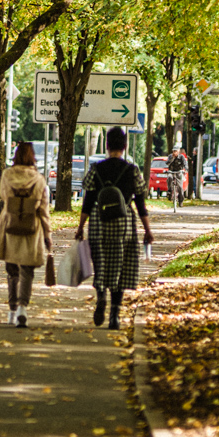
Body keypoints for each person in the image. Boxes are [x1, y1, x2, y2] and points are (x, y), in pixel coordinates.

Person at [75, 126, 154, 330]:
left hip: (99, 222)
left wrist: (81, 226)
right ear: (125, 146)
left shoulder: (97, 169)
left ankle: (101, 294)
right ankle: (115, 316)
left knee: (101, 263)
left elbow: (88, 200)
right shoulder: (131, 170)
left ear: (107, 145)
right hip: (124, 224)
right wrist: (147, 230)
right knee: (120, 266)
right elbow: (141, 203)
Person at [0, 141, 52, 328]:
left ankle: (11, 310)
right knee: (27, 270)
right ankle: (22, 308)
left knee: (12, 270)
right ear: (32, 157)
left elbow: (3, 196)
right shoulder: (39, 179)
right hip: (31, 228)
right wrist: (48, 235)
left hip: (10, 224)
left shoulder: (6, 175)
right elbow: (44, 210)